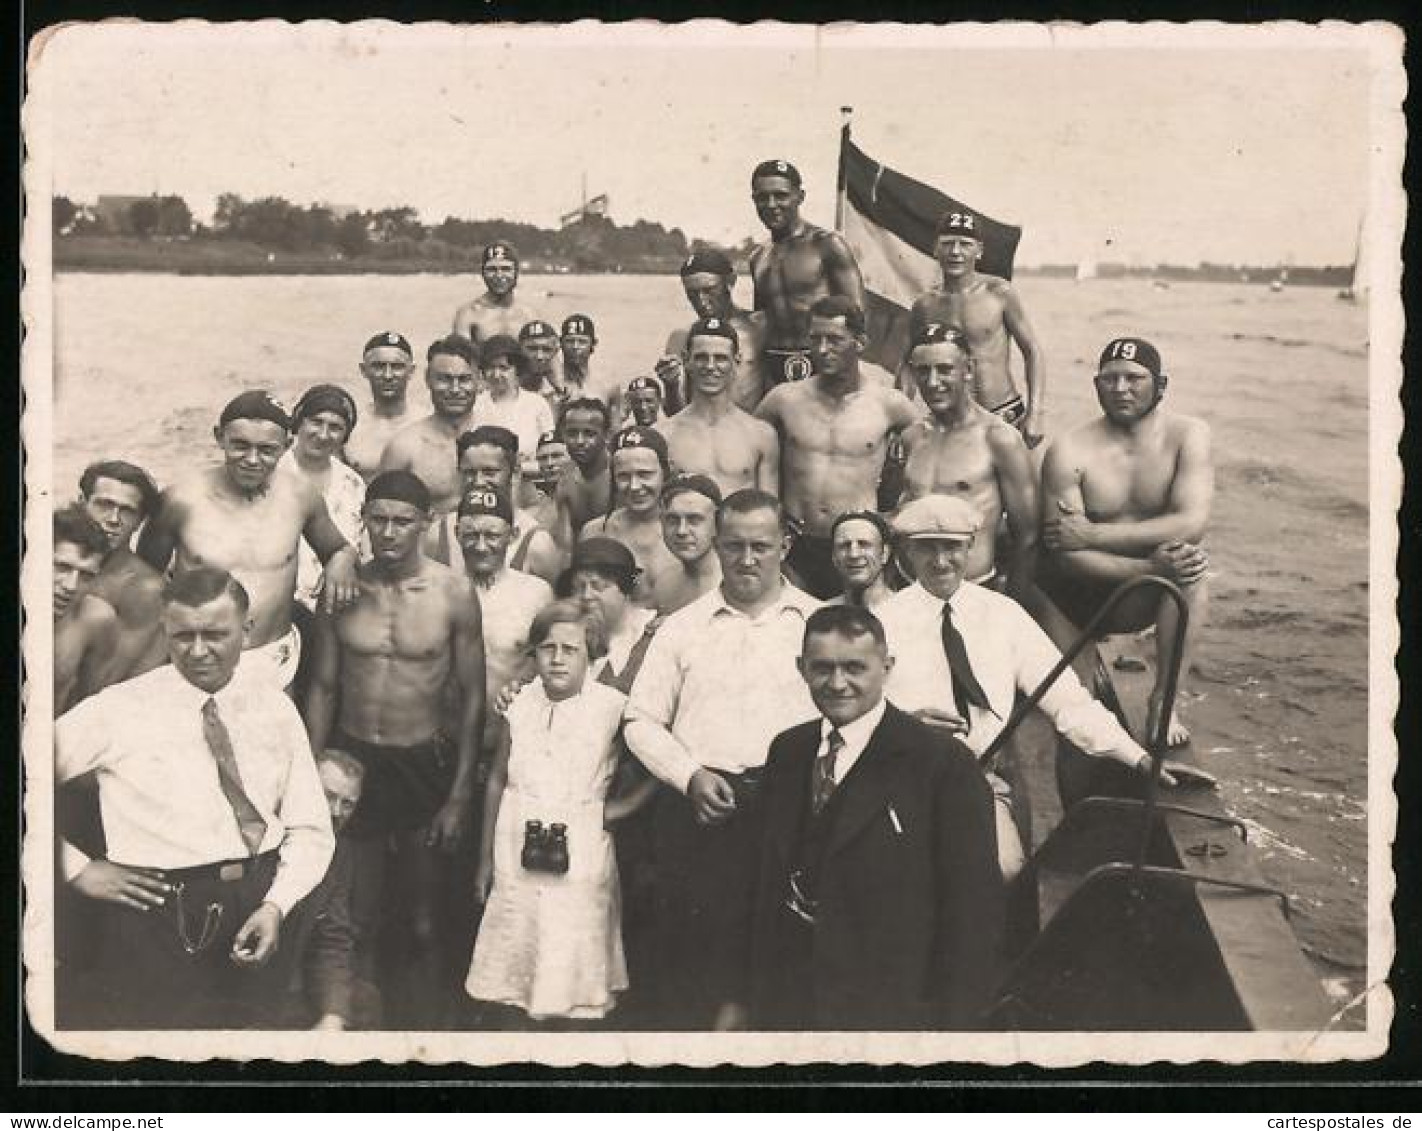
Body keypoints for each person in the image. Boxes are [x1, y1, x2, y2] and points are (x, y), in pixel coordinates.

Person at [55, 566, 334, 1029]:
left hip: (258, 904)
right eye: (183, 636)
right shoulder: (119, 708)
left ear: (246, 631)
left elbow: (310, 827)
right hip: (155, 916)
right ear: (165, 629)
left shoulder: (274, 707)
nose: (198, 651)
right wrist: (74, 868)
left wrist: (277, 905)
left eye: (215, 634)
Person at [876, 495, 1201, 880]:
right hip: (897, 781)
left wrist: (1139, 758)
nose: (941, 561)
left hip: (979, 782)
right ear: (908, 553)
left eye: (951, 547)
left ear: (971, 547)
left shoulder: (1004, 616)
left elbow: (1068, 702)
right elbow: (849, 718)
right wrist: (905, 728)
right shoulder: (879, 624)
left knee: (1006, 874)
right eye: (927, 548)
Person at [747, 605, 1002, 1029]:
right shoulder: (788, 751)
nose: (838, 683)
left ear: (887, 667)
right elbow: (763, 881)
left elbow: (974, 910)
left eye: (855, 668)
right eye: (822, 668)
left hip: (889, 1007)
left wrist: (953, 1026)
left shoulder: (941, 763)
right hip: (790, 1002)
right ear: (801, 669)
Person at [624, 489, 820, 1029]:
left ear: (785, 545)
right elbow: (639, 719)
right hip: (702, 810)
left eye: (761, 545)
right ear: (717, 545)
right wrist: (689, 777)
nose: (747, 559)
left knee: (780, 960)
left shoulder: (818, 623)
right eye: (734, 546)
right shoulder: (682, 627)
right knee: (697, 962)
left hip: (791, 810)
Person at [302, 470, 486, 1028]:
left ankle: (430, 1034)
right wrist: (309, 774)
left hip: (422, 763)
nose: (387, 532)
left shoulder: (453, 592)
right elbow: (325, 686)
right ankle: (357, 1027)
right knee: (353, 912)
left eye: (401, 521)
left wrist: (457, 796)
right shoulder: (343, 587)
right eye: (376, 519)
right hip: (355, 762)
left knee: (424, 915)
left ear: (426, 525)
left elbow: (473, 696)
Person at [467, 601, 641, 1024]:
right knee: (518, 952)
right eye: (548, 648)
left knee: (573, 958)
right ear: (534, 653)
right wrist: (485, 859)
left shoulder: (612, 707)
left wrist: (622, 808)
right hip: (516, 836)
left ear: (591, 653)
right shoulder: (520, 702)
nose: (558, 659)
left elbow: (660, 754)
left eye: (571, 649)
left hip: (580, 841)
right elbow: (496, 779)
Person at [1038, 337, 1213, 747]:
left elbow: (1192, 523)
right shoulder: (1070, 449)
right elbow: (1065, 556)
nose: (1120, 389)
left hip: (1139, 591)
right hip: (1075, 595)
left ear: (1161, 385)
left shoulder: (1188, 435)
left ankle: (1164, 702)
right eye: (1110, 379)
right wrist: (1148, 568)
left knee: (1193, 572)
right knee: (1075, 721)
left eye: (1134, 378)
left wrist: (1094, 533)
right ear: (1096, 385)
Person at [137, 391, 360, 691]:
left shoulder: (300, 496)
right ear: (219, 437)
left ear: (286, 445)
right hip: (198, 658)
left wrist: (342, 561)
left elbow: (337, 547)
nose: (252, 460)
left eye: (267, 450)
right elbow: (144, 577)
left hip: (272, 659)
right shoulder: (181, 500)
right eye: (240, 446)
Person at [756, 296, 921, 599]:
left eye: (834, 340)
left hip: (856, 544)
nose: (822, 349)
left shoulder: (890, 405)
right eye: (815, 339)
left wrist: (894, 516)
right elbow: (750, 452)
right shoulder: (783, 400)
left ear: (860, 342)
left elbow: (926, 467)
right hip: (796, 544)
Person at [898, 322, 1038, 597]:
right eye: (923, 371)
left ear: (969, 370)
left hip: (972, 589)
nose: (933, 381)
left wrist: (1011, 603)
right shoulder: (912, 436)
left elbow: (1028, 536)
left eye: (945, 369)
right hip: (909, 588)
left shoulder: (999, 439)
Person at [907, 209, 1048, 448]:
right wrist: (903, 417)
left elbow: (1033, 350)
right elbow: (908, 365)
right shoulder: (925, 305)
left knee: (1023, 484)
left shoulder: (999, 293)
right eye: (948, 243)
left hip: (1004, 414)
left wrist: (1036, 413)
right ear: (935, 249)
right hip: (951, 421)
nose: (955, 252)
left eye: (964, 244)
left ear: (979, 250)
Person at [453, 484, 555, 760]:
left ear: (513, 535)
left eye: (492, 535)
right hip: (448, 741)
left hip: (511, 743)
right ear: (456, 535)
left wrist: (523, 682)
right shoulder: (441, 589)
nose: (481, 545)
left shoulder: (536, 593)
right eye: (471, 535)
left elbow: (549, 658)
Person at [748, 159, 866, 389]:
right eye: (763, 197)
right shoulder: (757, 257)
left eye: (780, 195)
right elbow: (761, 321)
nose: (771, 204)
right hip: (773, 369)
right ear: (754, 200)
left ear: (799, 197)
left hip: (823, 365)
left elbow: (857, 318)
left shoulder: (827, 245)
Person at [283, 747, 369, 1031]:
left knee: (365, 1003)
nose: (335, 813)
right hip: (248, 989)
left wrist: (334, 1015)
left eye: (348, 804)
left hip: (298, 985)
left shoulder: (339, 853)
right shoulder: (265, 837)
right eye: (328, 796)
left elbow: (333, 939)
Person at [659, 317, 780, 497]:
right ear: (686, 360)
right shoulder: (665, 435)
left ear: (736, 361)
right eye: (701, 357)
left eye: (720, 358)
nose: (710, 366)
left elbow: (768, 510)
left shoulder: (761, 435)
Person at [428, 425, 561, 586]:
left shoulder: (537, 543)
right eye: (469, 473)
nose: (478, 481)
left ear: (515, 472)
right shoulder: (439, 533)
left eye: (489, 472)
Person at [278, 384, 367, 614]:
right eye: (316, 422)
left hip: (332, 610)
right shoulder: (273, 472)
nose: (323, 435)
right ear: (299, 422)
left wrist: (344, 558)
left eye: (335, 427)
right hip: (277, 606)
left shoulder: (353, 484)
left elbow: (359, 549)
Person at [76, 459, 167, 682]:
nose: (113, 519)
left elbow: (109, 682)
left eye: (127, 511)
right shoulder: (53, 559)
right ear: (82, 504)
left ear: (139, 522)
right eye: (104, 505)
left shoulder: (145, 589)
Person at [379, 335, 480, 520]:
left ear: (479, 380)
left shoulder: (500, 439)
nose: (455, 389)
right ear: (427, 379)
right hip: (427, 546)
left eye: (464, 379)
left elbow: (527, 504)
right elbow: (379, 512)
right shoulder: (404, 446)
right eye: (444, 379)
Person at [579, 427, 679, 608]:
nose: (634, 486)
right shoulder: (596, 532)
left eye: (645, 474)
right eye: (624, 476)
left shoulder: (685, 531)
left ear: (667, 470)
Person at [658, 248, 769, 412]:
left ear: (730, 281)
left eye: (709, 290)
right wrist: (671, 385)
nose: (701, 301)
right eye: (692, 294)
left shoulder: (760, 327)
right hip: (699, 433)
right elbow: (674, 414)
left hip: (751, 431)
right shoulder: (681, 337)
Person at [53, 506, 118, 715]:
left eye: (86, 576)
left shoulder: (96, 620)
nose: (71, 586)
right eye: (62, 567)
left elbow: (89, 706)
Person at [469, 334, 556, 485]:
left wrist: (523, 467)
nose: (496, 375)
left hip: (531, 485)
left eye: (503, 368)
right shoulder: (475, 405)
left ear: (517, 370)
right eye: (490, 367)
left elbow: (551, 456)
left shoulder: (537, 404)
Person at [345, 331, 418, 481]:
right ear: (364, 370)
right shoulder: (352, 424)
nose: (388, 375)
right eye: (378, 366)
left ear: (411, 371)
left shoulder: (426, 421)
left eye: (397, 366)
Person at [655, 473, 723, 615]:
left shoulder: (735, 584)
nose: (681, 531)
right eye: (672, 520)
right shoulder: (665, 584)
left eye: (694, 519)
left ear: (718, 523)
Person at [552, 397, 614, 551]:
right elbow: (564, 547)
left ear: (606, 436)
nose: (580, 441)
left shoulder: (621, 475)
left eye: (589, 434)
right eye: (572, 433)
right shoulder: (566, 479)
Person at [453, 240, 540, 347]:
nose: (499, 275)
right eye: (492, 269)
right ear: (482, 273)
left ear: (517, 272)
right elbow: (460, 359)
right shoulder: (469, 314)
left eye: (506, 269)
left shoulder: (529, 315)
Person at [560, 314, 625, 426]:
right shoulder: (551, 384)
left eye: (582, 342)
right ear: (560, 343)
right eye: (570, 341)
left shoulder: (608, 385)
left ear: (593, 344)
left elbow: (615, 429)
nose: (575, 346)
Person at [825, 509, 895, 611]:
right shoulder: (823, 615)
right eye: (844, 546)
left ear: (885, 553)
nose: (854, 554)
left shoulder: (908, 611)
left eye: (864, 544)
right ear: (834, 556)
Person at [518, 319, 563, 403]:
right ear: (519, 349)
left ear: (554, 352)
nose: (539, 356)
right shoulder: (501, 385)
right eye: (532, 349)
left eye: (546, 349)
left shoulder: (556, 393)